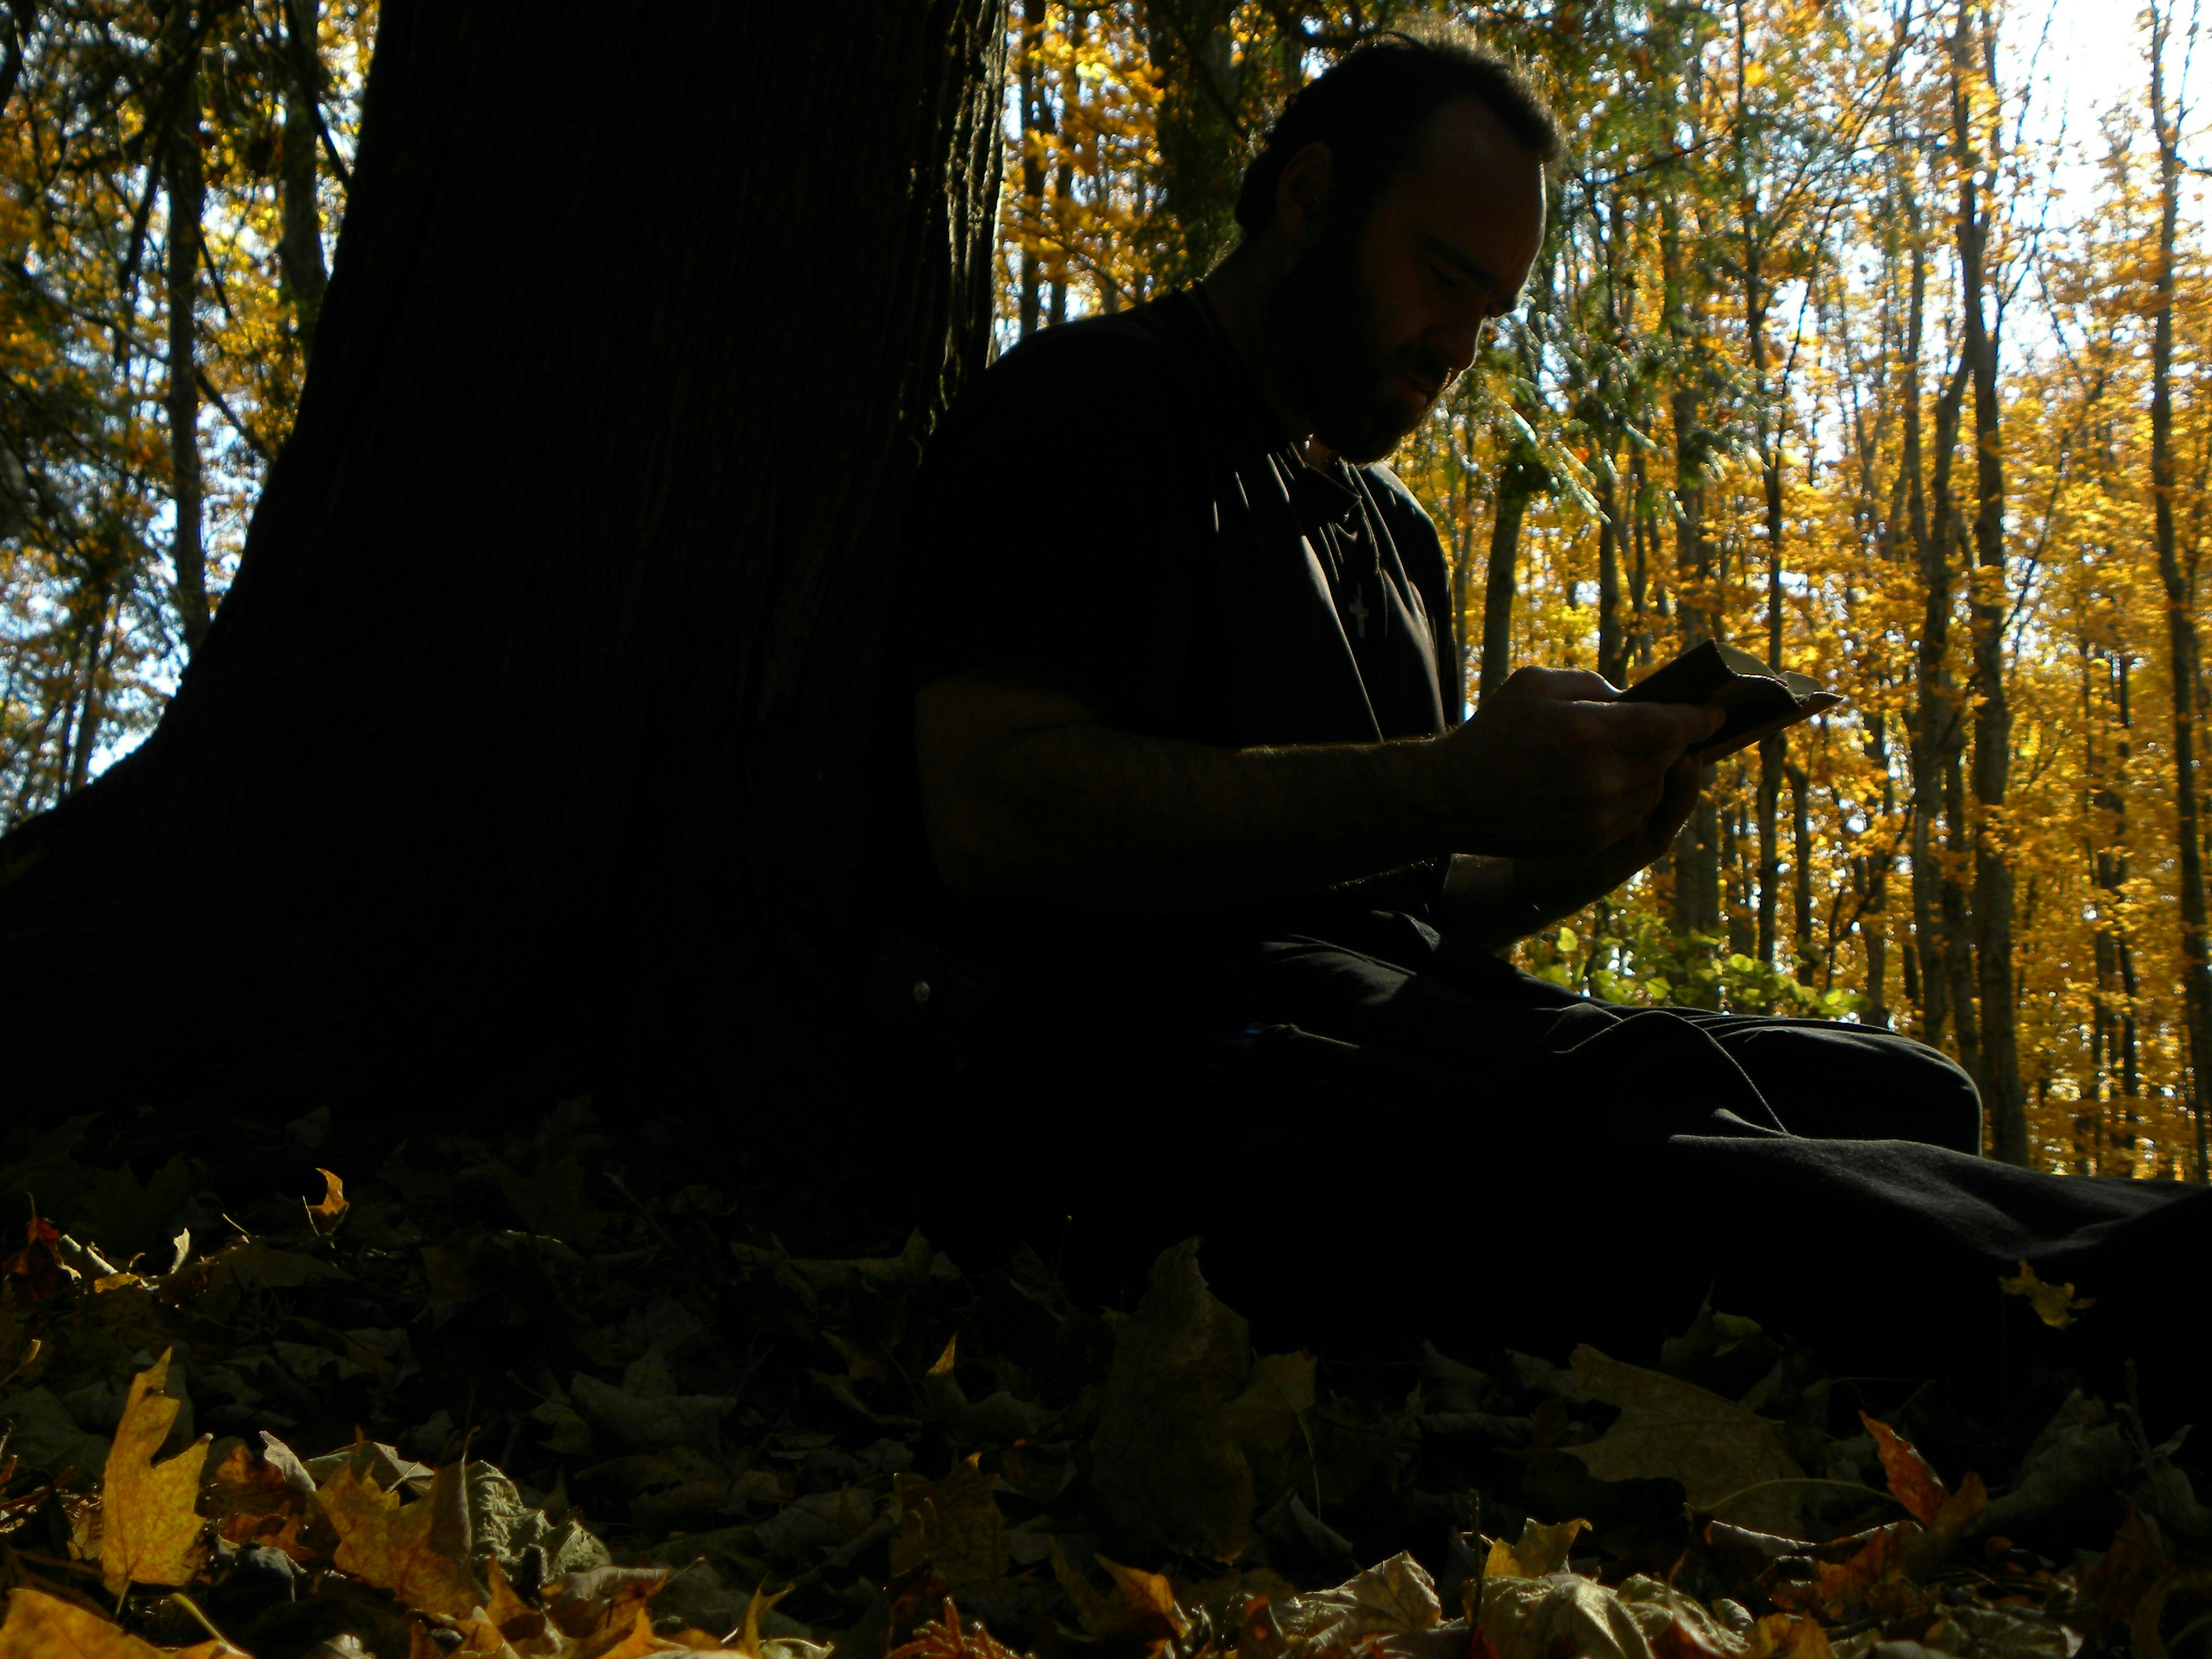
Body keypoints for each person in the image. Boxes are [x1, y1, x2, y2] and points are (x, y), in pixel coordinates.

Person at [872, 29, 2212, 1410]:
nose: (1454, 346)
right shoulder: (1088, 409)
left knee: (1902, 1092)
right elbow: (988, 813)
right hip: (1158, 1067)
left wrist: (1598, 826)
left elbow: (1413, 890)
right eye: (1440, 280)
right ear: (1306, 195)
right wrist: (1445, 785)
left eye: (1490, 312)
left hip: (1394, 1025)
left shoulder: (1388, 534)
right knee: (1618, 1120)